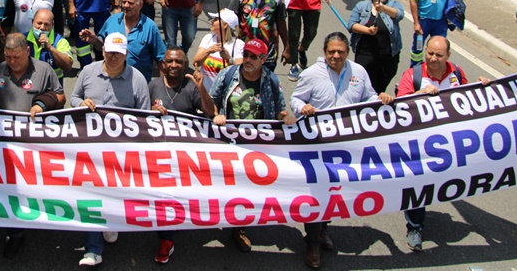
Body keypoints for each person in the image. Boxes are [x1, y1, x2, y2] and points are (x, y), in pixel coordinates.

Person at [289, 32, 394, 269]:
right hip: (317, 147)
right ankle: (313, 243)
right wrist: (302, 107)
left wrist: (381, 98)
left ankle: (324, 228)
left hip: (346, 148)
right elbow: (295, 99)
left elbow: (369, 98)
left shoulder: (359, 72)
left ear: (348, 52)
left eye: (341, 52)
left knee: (335, 192)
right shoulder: (311, 75)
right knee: (319, 191)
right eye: (331, 52)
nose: (336, 56)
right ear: (324, 52)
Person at [0, 33, 65, 260]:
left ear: (27, 52)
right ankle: (15, 234)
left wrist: (42, 105)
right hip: (7, 145)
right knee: (11, 189)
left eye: (16, 57)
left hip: (38, 144)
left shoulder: (44, 70)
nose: (12, 62)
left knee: (39, 188)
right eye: (8, 57)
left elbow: (61, 97)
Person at [395, 36, 489, 252]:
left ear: (448, 56)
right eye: (430, 53)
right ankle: (415, 226)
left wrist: (483, 87)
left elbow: (468, 97)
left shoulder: (456, 73)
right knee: (418, 185)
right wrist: (420, 94)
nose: (433, 59)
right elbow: (400, 108)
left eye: (439, 55)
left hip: (451, 143)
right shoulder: (413, 75)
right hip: (421, 144)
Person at [209, 37, 295, 253]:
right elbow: (212, 102)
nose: (247, 60)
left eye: (253, 57)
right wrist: (217, 114)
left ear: (263, 60)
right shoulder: (228, 75)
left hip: (257, 146)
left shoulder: (272, 81)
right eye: (246, 54)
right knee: (226, 183)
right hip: (228, 142)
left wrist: (286, 117)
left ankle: (240, 228)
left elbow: (279, 108)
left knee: (247, 187)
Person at [71, 32, 149, 266]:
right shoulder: (88, 72)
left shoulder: (137, 79)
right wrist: (81, 103)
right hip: (90, 149)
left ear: (126, 53)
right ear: (102, 50)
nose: (113, 57)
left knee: (115, 194)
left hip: (122, 152)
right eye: (109, 52)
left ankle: (110, 223)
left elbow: (144, 118)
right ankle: (93, 249)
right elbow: (73, 98)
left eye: (118, 53)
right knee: (91, 194)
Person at [148, 47, 215, 264]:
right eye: (169, 62)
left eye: (178, 62)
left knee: (179, 196)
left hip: (186, 154)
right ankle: (166, 239)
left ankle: (174, 228)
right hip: (159, 153)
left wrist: (201, 88)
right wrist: (151, 111)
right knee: (163, 197)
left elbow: (210, 112)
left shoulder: (191, 87)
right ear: (163, 65)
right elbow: (138, 117)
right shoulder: (153, 86)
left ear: (185, 64)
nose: (174, 66)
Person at [81, 0, 166, 81]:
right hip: (112, 82)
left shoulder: (150, 27)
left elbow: (160, 58)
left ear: (140, 5)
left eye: (130, 3)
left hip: (138, 85)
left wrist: (162, 87)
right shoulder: (111, 21)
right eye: (124, 2)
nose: (125, 5)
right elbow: (102, 46)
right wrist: (95, 40)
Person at [348, 0, 405, 94]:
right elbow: (351, 25)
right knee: (364, 85)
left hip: (388, 55)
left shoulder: (393, 5)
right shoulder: (361, 6)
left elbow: (399, 15)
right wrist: (367, 30)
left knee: (381, 85)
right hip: (365, 55)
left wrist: (383, 8)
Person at [194, 8, 245, 91]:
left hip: (223, 92)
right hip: (204, 92)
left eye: (216, 19)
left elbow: (240, 70)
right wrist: (208, 51)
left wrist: (229, 59)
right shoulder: (208, 38)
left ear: (225, 25)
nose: (212, 21)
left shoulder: (238, 44)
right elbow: (195, 62)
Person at [26, 9, 73, 86]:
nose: (42, 27)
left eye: (46, 24)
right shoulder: (23, 39)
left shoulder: (60, 41)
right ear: (32, 22)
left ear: (52, 25)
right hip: (28, 87)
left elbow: (67, 66)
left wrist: (51, 48)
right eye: (39, 23)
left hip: (52, 89)